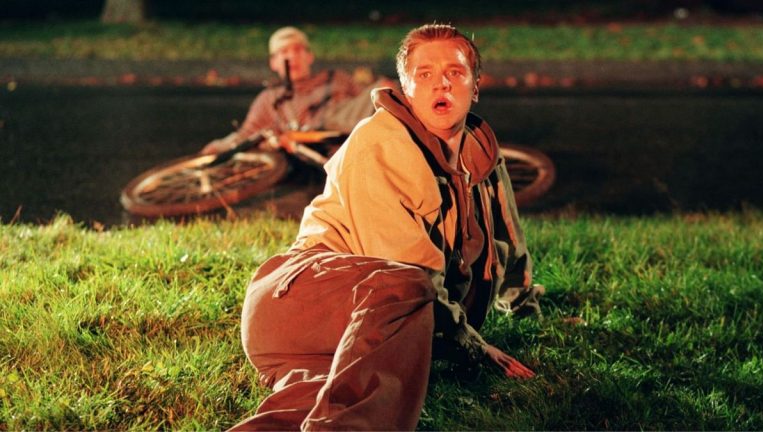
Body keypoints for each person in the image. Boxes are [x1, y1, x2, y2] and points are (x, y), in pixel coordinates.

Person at [231, 23, 544, 431]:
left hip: (356, 328)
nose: (441, 84)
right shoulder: (380, 142)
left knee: (306, 407)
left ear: (476, 86)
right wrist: (473, 345)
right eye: (424, 74)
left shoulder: (480, 150)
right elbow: (407, 272)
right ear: (405, 88)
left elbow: (508, 237)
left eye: (455, 71)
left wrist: (524, 305)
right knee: (408, 283)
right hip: (301, 302)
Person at [201, 26, 381, 154]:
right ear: (273, 63)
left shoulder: (336, 78)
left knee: (381, 91)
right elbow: (247, 134)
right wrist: (220, 147)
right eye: (284, 52)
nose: (292, 57)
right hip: (310, 151)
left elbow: (366, 103)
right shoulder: (270, 98)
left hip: (350, 138)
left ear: (309, 57)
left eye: (297, 50)